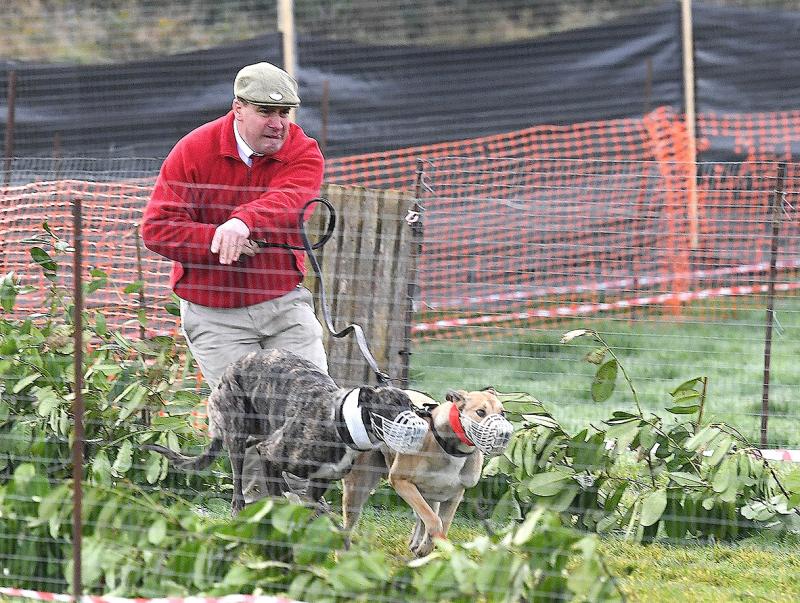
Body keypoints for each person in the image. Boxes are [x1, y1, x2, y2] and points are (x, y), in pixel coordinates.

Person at [141, 61, 328, 503]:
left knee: (315, 408)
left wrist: (242, 221)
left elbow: (290, 199)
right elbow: (156, 229)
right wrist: (213, 239)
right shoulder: (195, 150)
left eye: (285, 113)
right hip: (214, 315)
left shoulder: (302, 151)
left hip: (283, 304)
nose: (277, 123)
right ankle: (261, 529)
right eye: (266, 111)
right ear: (238, 108)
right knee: (248, 426)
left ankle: (312, 513)